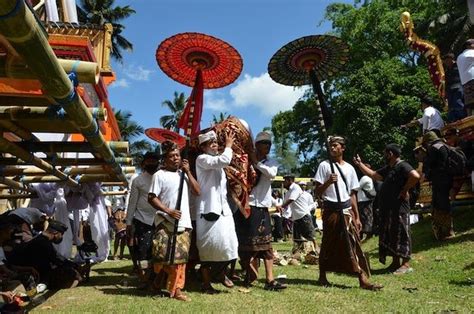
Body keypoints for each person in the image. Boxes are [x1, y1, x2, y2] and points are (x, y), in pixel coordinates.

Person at [314, 135, 381, 290]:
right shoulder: (324, 166)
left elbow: (352, 195)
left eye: (336, 145)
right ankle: (322, 275)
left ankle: (362, 278)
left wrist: (356, 216)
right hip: (330, 210)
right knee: (328, 242)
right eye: (330, 146)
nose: (332, 148)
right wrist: (328, 182)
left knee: (353, 243)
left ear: (342, 148)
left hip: (346, 210)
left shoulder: (350, 168)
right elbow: (317, 192)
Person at [354, 143, 420, 274]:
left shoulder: (402, 165)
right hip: (389, 208)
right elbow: (374, 175)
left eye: (385, 153)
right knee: (392, 234)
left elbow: (415, 176)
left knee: (402, 234)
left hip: (400, 207)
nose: (384, 155)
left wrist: (405, 189)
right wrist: (359, 164)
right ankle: (395, 263)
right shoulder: (390, 168)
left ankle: (405, 264)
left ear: (390, 154)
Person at [233, 131, 286, 291]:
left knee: (266, 245)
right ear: (256, 145)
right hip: (245, 206)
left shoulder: (271, 162)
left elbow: (271, 174)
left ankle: (269, 279)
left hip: (261, 207)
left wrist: (256, 162)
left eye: (269, 144)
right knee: (245, 244)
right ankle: (249, 273)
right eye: (264, 143)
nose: (268, 146)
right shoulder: (244, 161)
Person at [148, 141, 200, 301]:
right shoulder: (159, 175)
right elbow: (151, 197)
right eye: (171, 156)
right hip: (165, 221)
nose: (175, 158)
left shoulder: (183, 175)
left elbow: (197, 191)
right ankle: (157, 282)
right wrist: (168, 211)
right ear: (165, 159)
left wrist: (189, 171)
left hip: (183, 223)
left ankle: (176, 289)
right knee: (161, 256)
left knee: (180, 260)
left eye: (177, 155)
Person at [195, 130, 239, 293]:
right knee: (208, 250)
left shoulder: (217, 163)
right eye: (211, 143)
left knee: (231, 246)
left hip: (223, 211)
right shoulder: (202, 159)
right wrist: (228, 145)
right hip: (208, 210)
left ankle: (219, 273)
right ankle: (206, 283)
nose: (215, 145)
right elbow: (224, 159)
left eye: (216, 142)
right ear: (203, 147)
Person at [126, 152, 160, 285]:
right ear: (144, 163)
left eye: (154, 161)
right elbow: (132, 202)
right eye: (149, 161)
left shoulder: (161, 177)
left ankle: (155, 278)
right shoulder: (137, 180)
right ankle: (143, 279)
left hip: (159, 219)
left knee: (157, 250)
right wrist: (129, 222)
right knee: (143, 250)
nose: (152, 163)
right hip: (142, 220)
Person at [422, 131, 455, 240]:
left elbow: (429, 164)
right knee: (444, 204)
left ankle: (446, 232)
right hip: (447, 179)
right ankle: (447, 230)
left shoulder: (433, 148)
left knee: (440, 205)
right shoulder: (444, 146)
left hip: (439, 180)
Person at [278, 176, 317, 253]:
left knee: (310, 236)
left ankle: (316, 251)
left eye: (285, 181)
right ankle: (296, 253)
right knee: (297, 238)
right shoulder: (288, 192)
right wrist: (281, 209)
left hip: (303, 215)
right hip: (296, 217)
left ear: (290, 180)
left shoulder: (296, 188)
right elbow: (285, 204)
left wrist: (282, 207)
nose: (283, 182)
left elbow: (291, 199)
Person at [442, 53, 467, 122]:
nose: (446, 62)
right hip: (450, 90)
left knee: (458, 103)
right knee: (451, 107)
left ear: (451, 59)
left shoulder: (459, 66)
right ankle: (454, 120)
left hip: (458, 87)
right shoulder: (446, 72)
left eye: (447, 60)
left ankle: (462, 118)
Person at [356, 167, 376, 241]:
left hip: (363, 200)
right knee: (368, 216)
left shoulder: (364, 177)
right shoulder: (371, 178)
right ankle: (369, 232)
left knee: (364, 217)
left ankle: (367, 233)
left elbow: (357, 187)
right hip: (368, 200)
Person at [457, 39, 474, 116]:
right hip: (472, 77)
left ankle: (469, 119)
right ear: (468, 46)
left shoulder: (459, 57)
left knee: (469, 102)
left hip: (465, 81)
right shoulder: (471, 52)